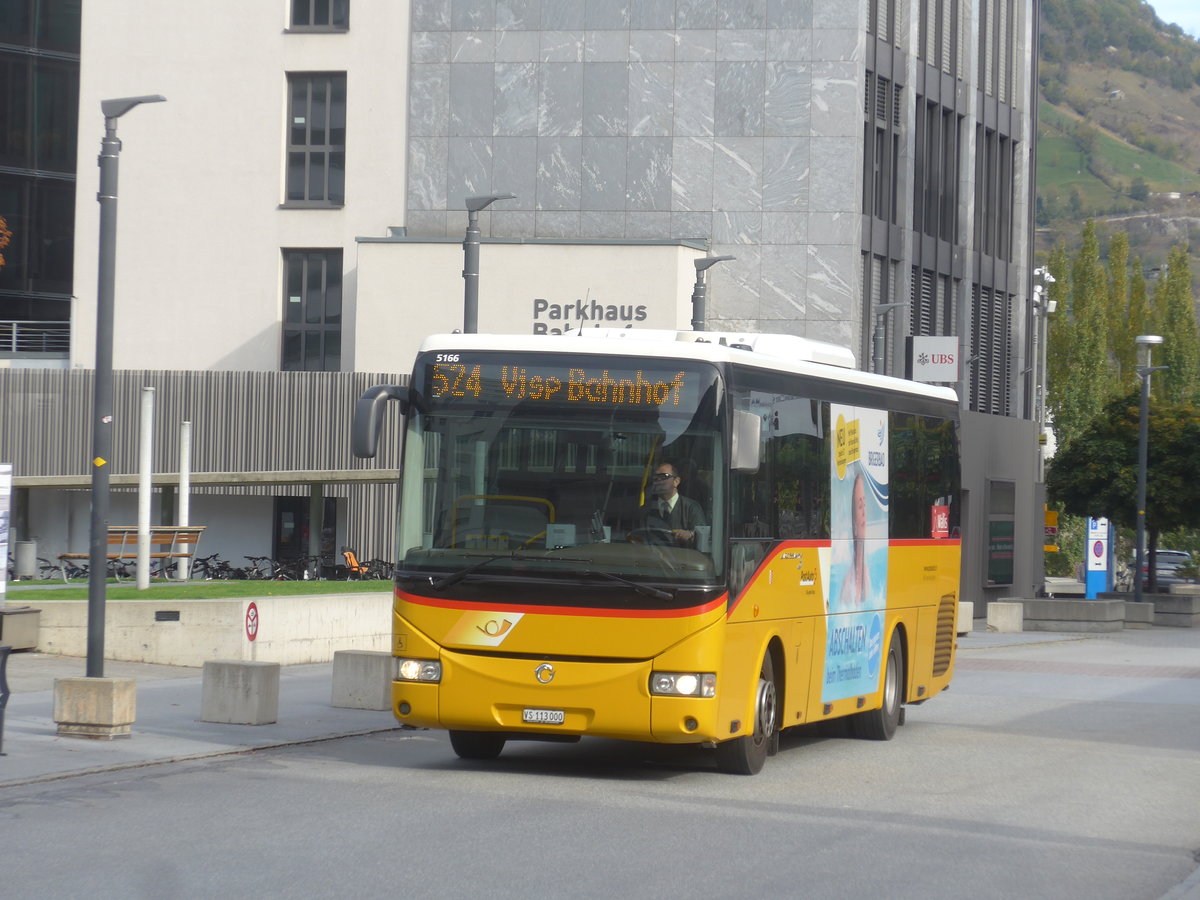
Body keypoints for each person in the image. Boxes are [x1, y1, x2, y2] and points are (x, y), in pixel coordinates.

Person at [639, 462, 707, 547]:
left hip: (684, 557)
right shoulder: (645, 509)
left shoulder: (691, 507)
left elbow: (702, 536)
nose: (658, 480)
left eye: (664, 477)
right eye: (655, 477)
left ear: (676, 481)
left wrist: (690, 535)